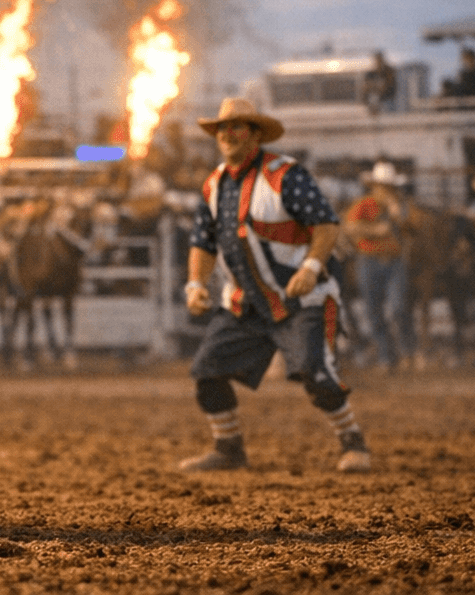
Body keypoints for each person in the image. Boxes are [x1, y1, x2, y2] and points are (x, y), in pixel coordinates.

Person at [179, 97, 371, 473]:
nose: (228, 135)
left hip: (301, 301)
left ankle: (354, 443)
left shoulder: (285, 174)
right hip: (244, 305)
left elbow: (326, 224)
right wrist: (195, 285)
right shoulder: (214, 184)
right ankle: (229, 449)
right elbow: (202, 242)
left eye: (237, 127)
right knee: (207, 372)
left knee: (317, 373)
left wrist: (312, 267)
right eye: (222, 129)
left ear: (255, 134)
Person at [342, 161, 419, 371]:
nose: (385, 189)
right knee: (374, 311)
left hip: (393, 261)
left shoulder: (401, 206)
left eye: (388, 186)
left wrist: (397, 218)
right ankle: (387, 356)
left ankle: (406, 352)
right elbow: (349, 228)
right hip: (368, 260)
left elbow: (411, 231)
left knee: (398, 307)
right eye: (382, 185)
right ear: (374, 186)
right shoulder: (363, 205)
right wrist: (376, 230)